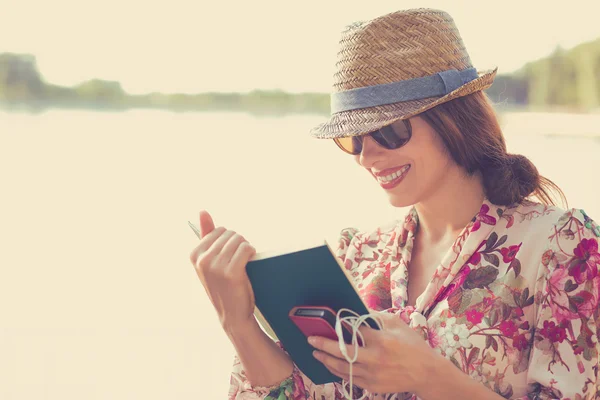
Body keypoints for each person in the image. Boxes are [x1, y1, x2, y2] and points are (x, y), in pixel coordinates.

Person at [189, 8, 600, 400]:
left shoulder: (561, 246)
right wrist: (239, 323)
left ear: (452, 117)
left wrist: (428, 376)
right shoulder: (356, 257)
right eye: (353, 139)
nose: (367, 157)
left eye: (387, 131)